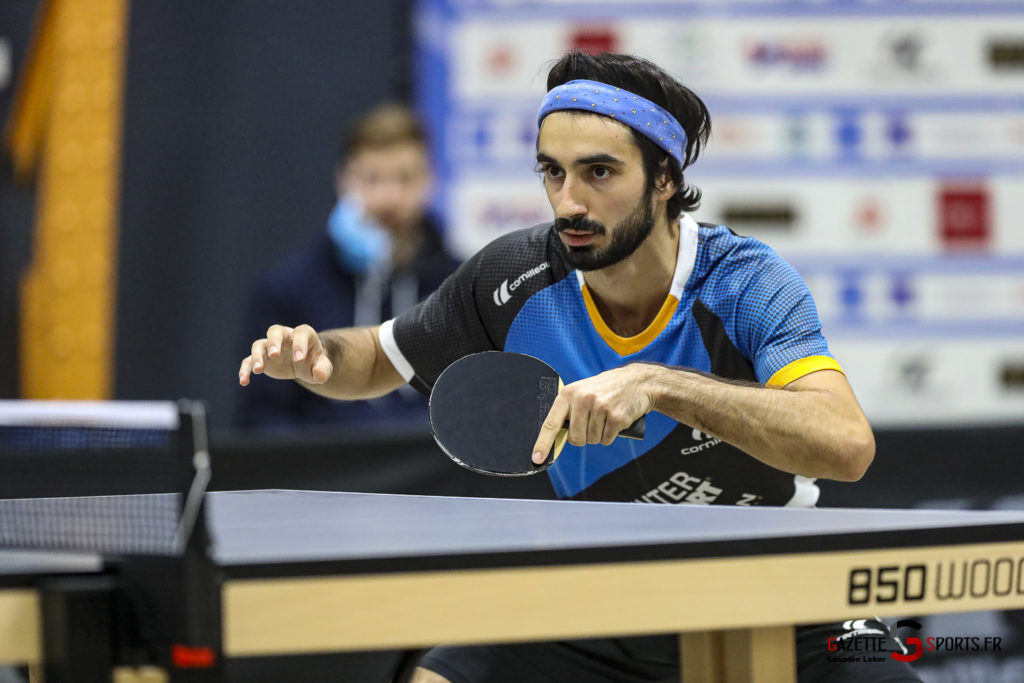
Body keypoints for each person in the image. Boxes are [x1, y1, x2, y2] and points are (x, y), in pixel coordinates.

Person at [238, 52, 921, 682]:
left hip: (782, 595)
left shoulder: (745, 281)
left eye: (599, 172)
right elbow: (378, 359)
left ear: (665, 180)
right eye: (552, 172)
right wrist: (319, 355)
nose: (568, 202)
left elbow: (847, 443)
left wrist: (660, 385)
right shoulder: (510, 278)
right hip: (601, 603)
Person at [235, 103, 460, 432]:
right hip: (324, 472)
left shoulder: (459, 285)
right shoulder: (287, 288)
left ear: (430, 180)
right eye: (371, 179)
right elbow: (261, 421)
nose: (388, 198)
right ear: (343, 180)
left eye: (405, 178)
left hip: (429, 473)